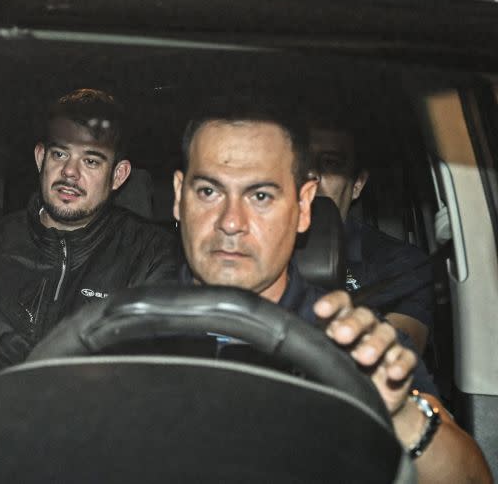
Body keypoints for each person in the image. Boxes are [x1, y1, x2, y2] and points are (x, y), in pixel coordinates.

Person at [172, 112, 491, 482]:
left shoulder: (351, 343)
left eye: (260, 196)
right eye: (209, 191)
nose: (231, 221)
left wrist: (401, 416)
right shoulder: (123, 326)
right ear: (179, 197)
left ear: (304, 206)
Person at [0, 89, 180, 390]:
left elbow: (141, 378)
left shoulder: (151, 255)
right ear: (40, 158)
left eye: (91, 161)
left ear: (118, 175)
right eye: (60, 154)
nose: (70, 173)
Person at [309, 124, 434, 353]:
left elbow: (393, 355)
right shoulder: (251, 245)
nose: (312, 175)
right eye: (301, 162)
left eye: (330, 164)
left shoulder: (399, 265)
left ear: (357, 184)